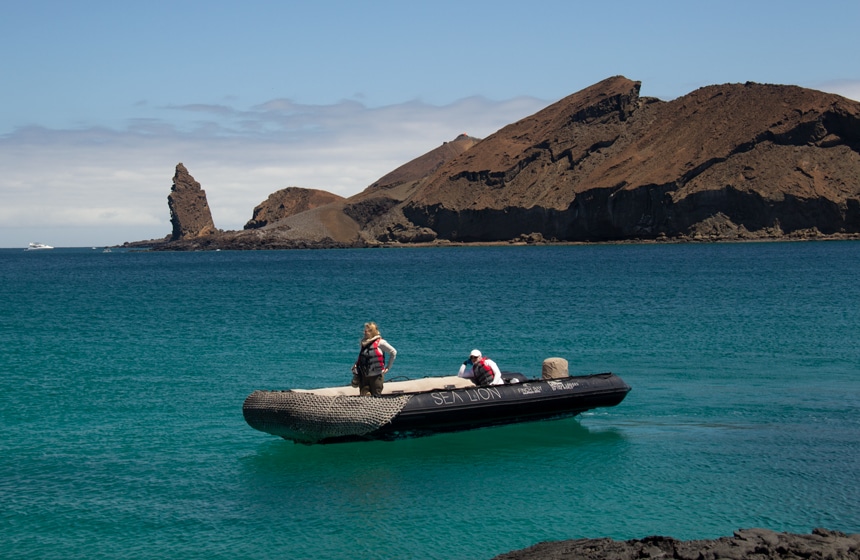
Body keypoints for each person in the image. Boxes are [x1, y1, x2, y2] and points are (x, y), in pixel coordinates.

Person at [352, 322, 397, 397]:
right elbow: (363, 356)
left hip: (376, 376)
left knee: (376, 395)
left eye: (366, 331)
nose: (364, 332)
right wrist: (356, 365)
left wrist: (388, 367)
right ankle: (367, 395)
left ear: (372, 332)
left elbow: (393, 352)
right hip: (364, 375)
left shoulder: (380, 343)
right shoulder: (364, 343)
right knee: (364, 393)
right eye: (365, 331)